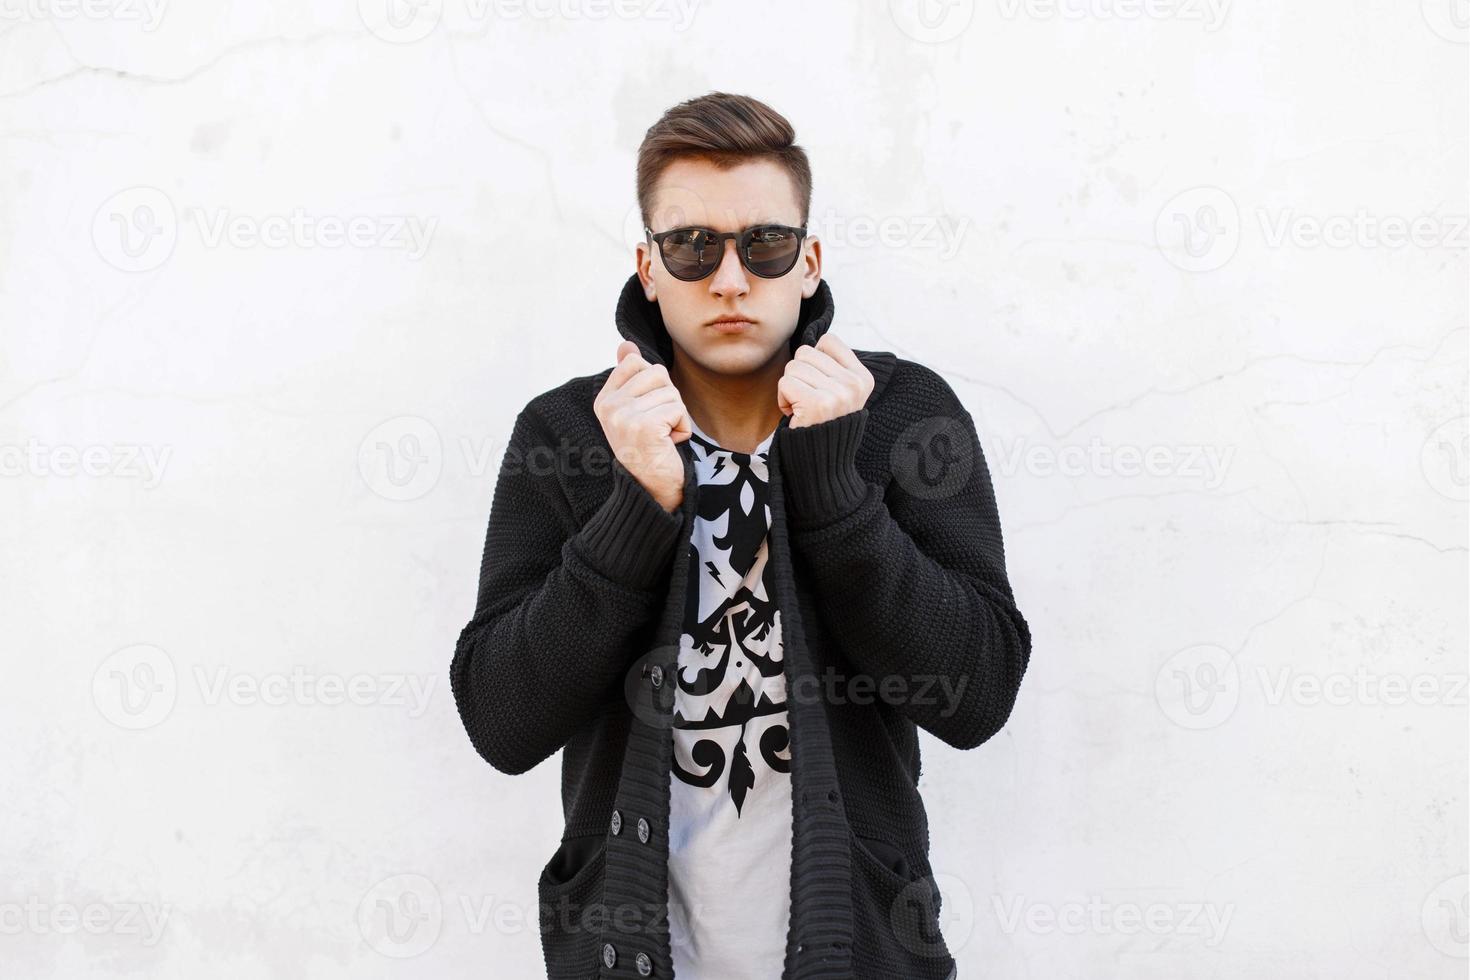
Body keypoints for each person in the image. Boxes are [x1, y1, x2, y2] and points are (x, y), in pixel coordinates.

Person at [450, 90, 1031, 980]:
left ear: (810, 261)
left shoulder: (902, 416)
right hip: (631, 956)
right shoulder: (571, 435)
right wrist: (635, 507)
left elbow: (977, 694)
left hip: (863, 952)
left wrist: (836, 496)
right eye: (691, 247)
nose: (728, 280)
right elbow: (502, 721)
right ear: (647, 268)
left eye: (764, 244)